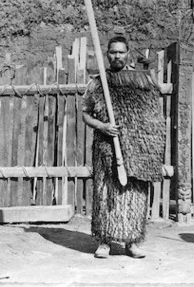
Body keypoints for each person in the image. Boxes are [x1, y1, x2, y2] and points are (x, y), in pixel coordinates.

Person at [82, 35, 166, 259]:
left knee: (135, 195)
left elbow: (153, 113)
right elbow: (85, 113)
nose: (116, 56)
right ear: (107, 54)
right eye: (113, 52)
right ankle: (104, 242)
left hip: (138, 148)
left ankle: (132, 242)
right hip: (106, 148)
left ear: (128, 53)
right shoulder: (98, 82)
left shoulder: (142, 80)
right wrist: (103, 126)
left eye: (121, 52)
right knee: (105, 194)